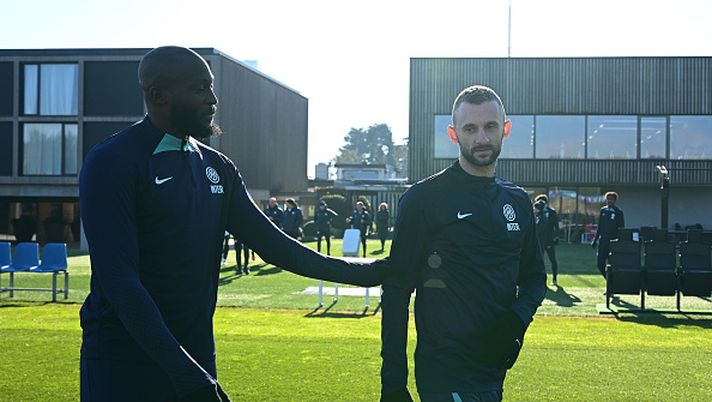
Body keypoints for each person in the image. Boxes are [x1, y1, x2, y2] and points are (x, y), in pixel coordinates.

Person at [79, 46, 382, 402]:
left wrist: (372, 272)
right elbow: (120, 283)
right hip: (124, 364)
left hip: (196, 359)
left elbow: (277, 246)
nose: (212, 99)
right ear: (157, 96)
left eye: (210, 86)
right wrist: (185, 373)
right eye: (198, 89)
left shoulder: (217, 167)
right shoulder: (112, 161)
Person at [380, 85, 546, 402]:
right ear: (454, 134)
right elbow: (397, 291)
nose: (481, 138)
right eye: (470, 128)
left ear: (506, 129)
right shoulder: (423, 199)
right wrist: (393, 383)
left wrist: (515, 325)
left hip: (494, 372)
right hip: (445, 372)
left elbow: (534, 278)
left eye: (490, 127)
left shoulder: (518, 200)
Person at [591, 191, 625, 278]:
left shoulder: (618, 212)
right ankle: (609, 281)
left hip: (612, 242)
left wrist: (620, 242)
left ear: (615, 201)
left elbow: (621, 228)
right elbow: (600, 226)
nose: (609, 201)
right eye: (608, 199)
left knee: (612, 265)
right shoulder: (603, 210)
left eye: (611, 199)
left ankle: (611, 286)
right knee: (600, 263)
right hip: (603, 242)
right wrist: (595, 240)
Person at [533, 194, 560, 286]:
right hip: (540, 241)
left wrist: (555, 237)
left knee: (552, 259)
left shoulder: (550, 212)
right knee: (540, 260)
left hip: (548, 240)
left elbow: (556, 226)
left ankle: (555, 278)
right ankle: (541, 278)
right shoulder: (537, 214)